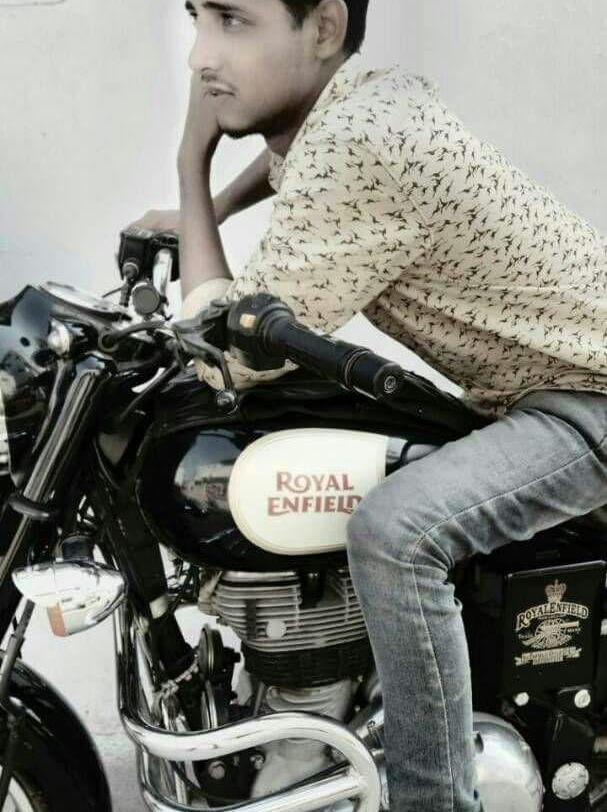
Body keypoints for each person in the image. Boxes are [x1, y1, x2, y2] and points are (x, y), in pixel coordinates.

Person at [131, 1, 607, 810]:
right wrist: (208, 213)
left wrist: (190, 169)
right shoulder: (364, 99)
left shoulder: (361, 144)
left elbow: (227, 353)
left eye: (233, 21)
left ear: (322, 28)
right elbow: (293, 166)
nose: (200, 57)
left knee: (394, 533)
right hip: (542, 390)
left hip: (587, 398)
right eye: (197, 18)